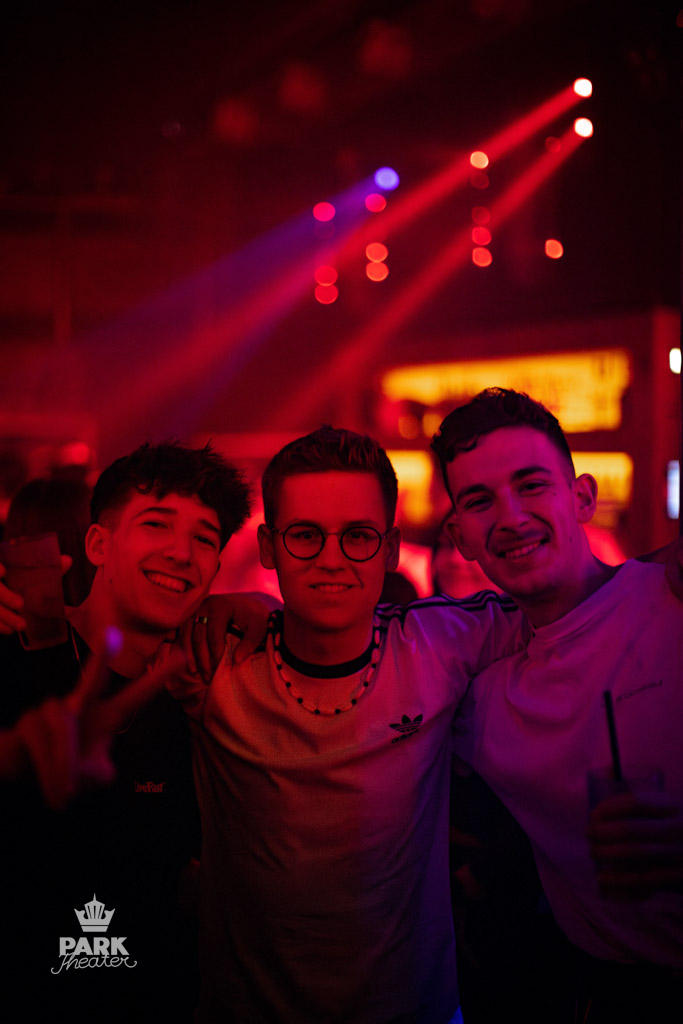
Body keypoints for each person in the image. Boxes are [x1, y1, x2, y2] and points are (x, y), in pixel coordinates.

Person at [168, 425, 525, 1024]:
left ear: (390, 550)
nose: (330, 559)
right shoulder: (213, 663)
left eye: (357, 536)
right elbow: (97, 645)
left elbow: (588, 601)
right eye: (305, 535)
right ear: (269, 547)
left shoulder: (439, 646)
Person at [431, 387, 683, 1022]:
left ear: (583, 497)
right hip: (612, 995)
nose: (510, 517)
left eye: (532, 485)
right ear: (460, 536)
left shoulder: (674, 601)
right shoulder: (483, 701)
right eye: (480, 501)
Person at [1, 440, 252, 1024]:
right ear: (97, 544)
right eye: (156, 524)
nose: (181, 553)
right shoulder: (19, 655)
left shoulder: (195, 692)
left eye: (205, 539)